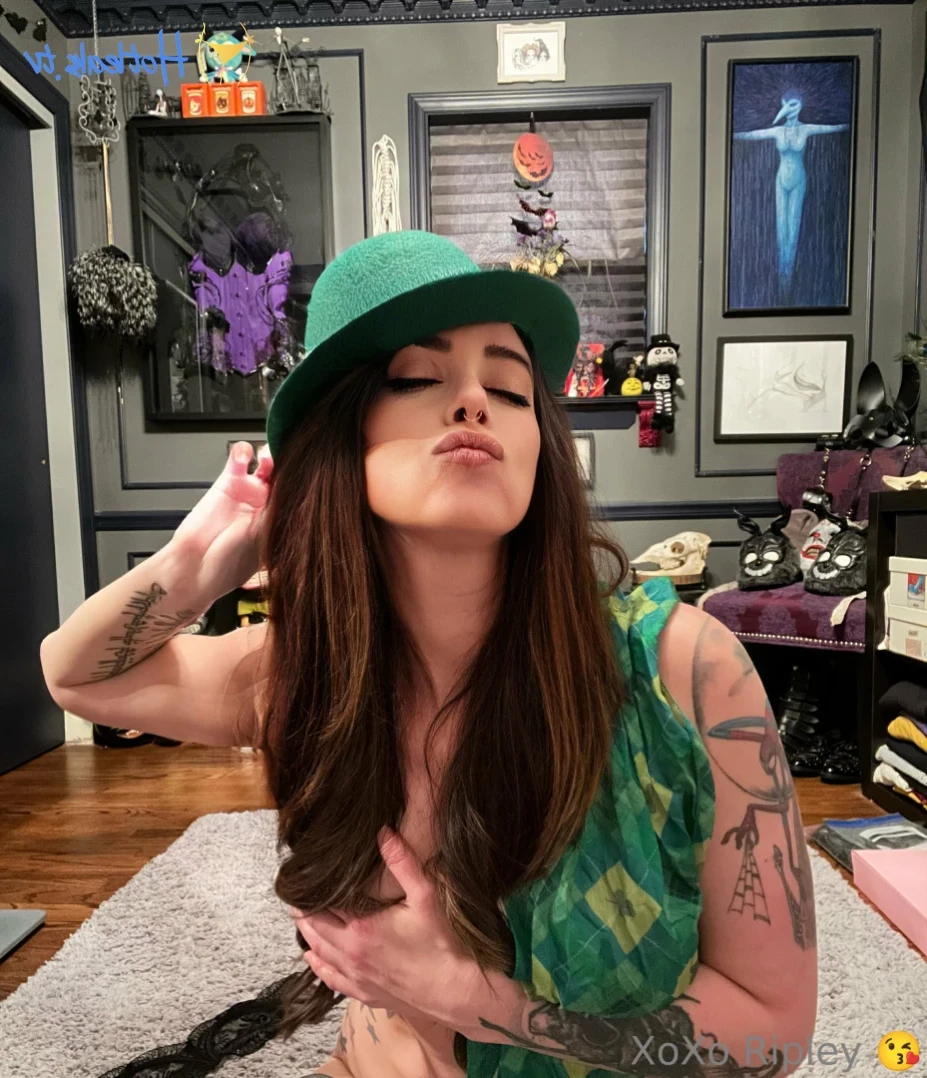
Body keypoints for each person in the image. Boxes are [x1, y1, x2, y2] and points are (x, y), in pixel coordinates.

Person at [41, 230, 817, 1078]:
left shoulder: (681, 671)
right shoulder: (303, 676)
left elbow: (772, 1035)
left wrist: (477, 1001)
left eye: (511, 388)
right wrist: (196, 566)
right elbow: (77, 675)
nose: (474, 400)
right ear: (340, 438)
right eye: (417, 377)